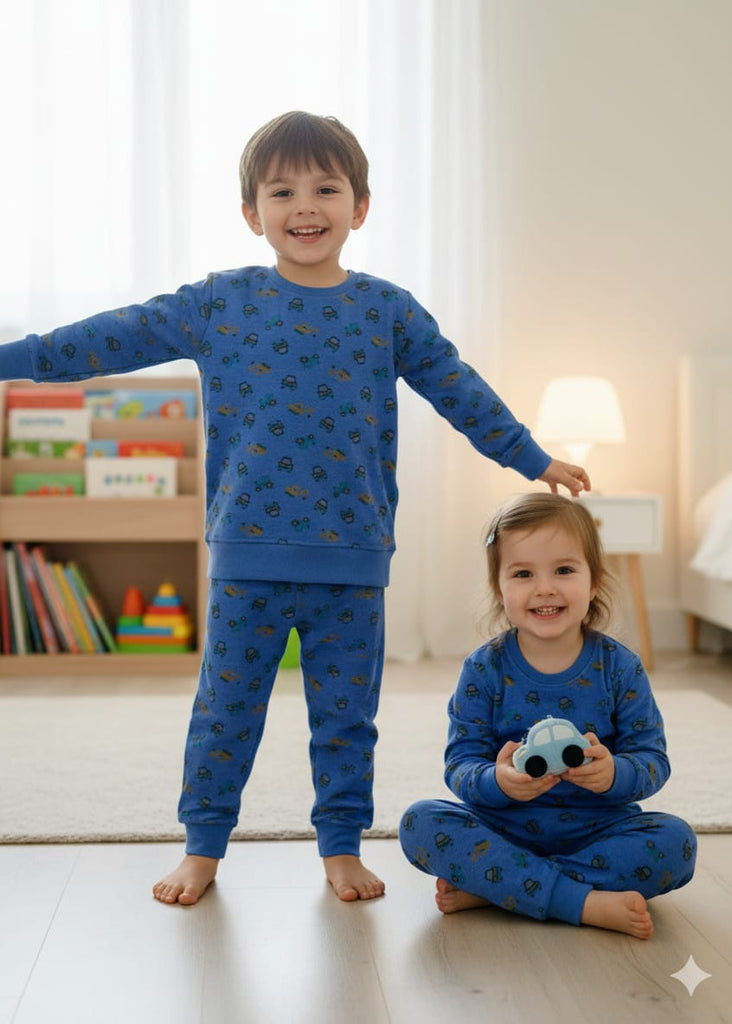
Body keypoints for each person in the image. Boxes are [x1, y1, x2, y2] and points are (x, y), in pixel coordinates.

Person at [0, 111, 590, 907]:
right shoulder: (219, 302)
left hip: (352, 560)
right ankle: (203, 848)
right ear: (253, 213)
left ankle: (340, 848)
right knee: (225, 715)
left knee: (346, 721)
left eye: (326, 187)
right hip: (248, 556)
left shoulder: (388, 310)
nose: (305, 205)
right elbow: (108, 338)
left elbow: (458, 388)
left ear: (361, 205)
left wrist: (531, 456)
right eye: (283, 190)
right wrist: (15, 360)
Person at [399, 492, 696, 938]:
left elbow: (653, 760)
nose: (544, 588)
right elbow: (460, 765)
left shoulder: (620, 667)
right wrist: (497, 780)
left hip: (597, 829)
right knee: (419, 822)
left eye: (563, 570)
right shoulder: (484, 668)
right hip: (504, 827)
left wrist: (614, 772)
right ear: (500, 588)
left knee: (677, 843)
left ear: (593, 581)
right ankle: (581, 902)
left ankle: (499, 888)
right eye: (522, 573)